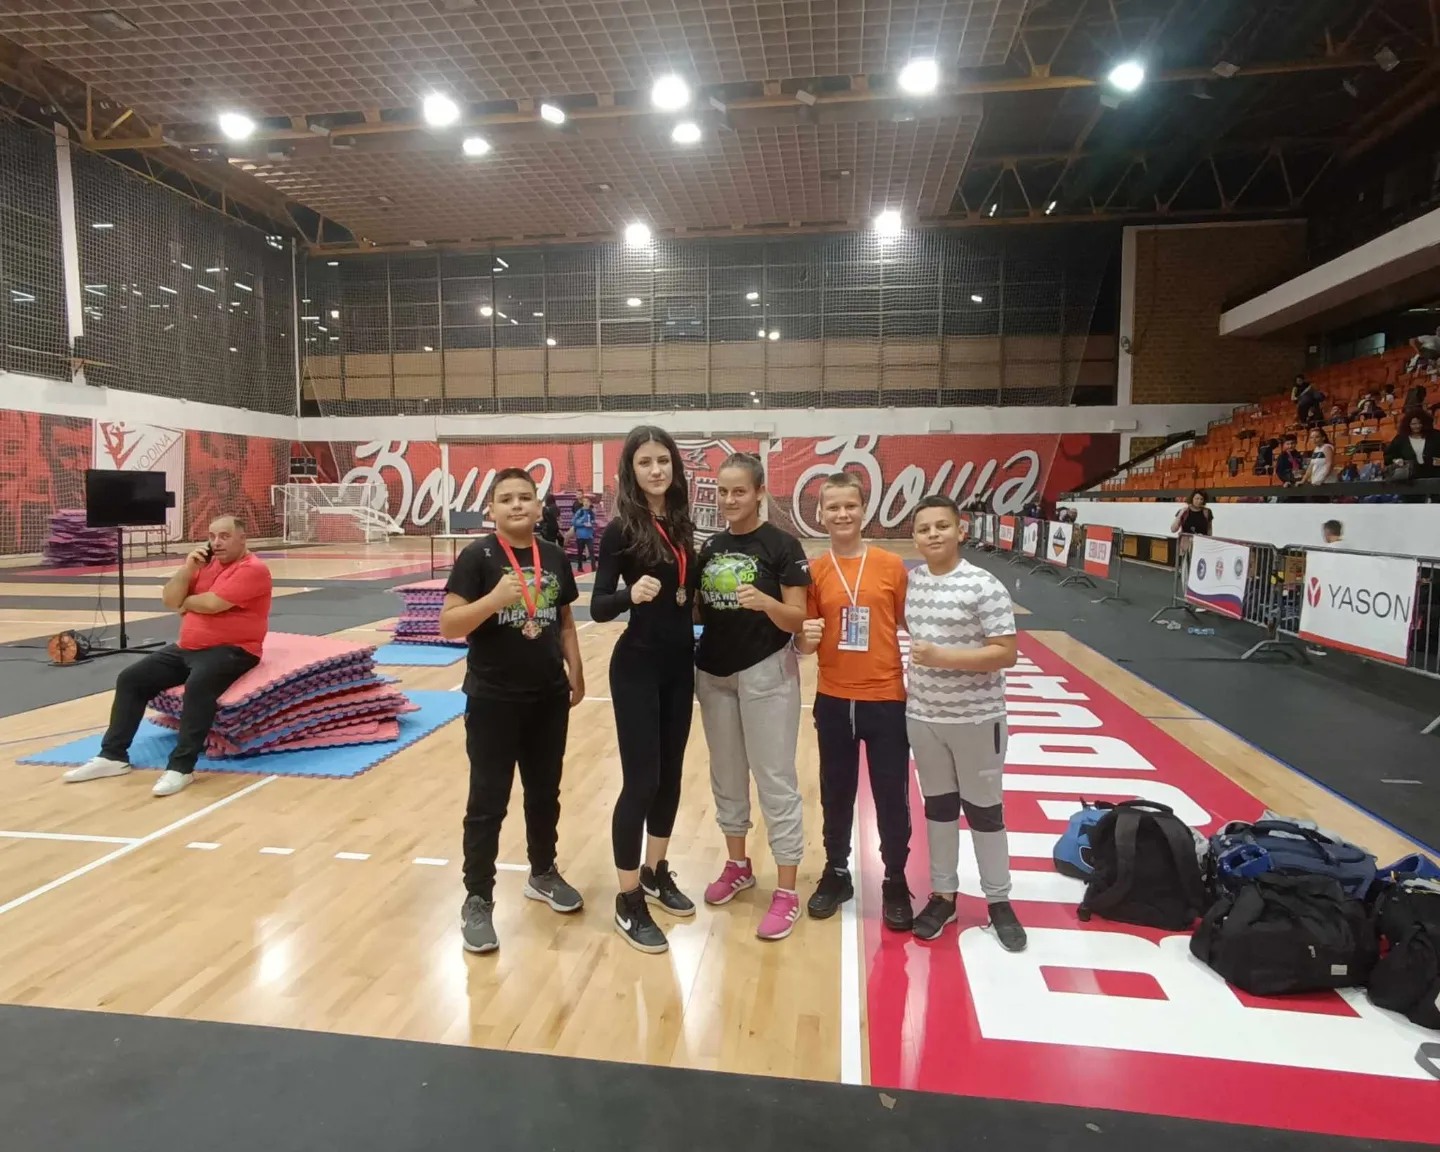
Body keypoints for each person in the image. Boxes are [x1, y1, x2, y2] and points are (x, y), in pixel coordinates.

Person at [439, 468, 585, 955]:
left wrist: (576, 668)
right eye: (507, 499)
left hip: (548, 696)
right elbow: (449, 625)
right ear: (492, 510)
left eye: (526, 497)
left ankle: (542, 872)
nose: (517, 505)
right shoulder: (476, 557)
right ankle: (477, 898)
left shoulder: (555, 556)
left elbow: (564, 620)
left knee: (544, 794)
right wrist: (494, 599)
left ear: (539, 507)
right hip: (493, 699)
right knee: (487, 803)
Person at [63, 516, 272, 797]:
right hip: (187, 648)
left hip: (234, 650)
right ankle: (112, 756)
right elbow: (169, 599)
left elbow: (212, 604)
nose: (216, 543)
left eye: (224, 536)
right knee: (131, 678)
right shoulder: (203, 565)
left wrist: (186, 602)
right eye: (212, 536)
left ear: (242, 539)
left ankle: (181, 768)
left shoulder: (253, 569)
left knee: (198, 686)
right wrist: (188, 569)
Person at [590, 427, 699, 954]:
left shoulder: (681, 523)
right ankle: (628, 896)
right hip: (636, 667)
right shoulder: (621, 530)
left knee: (671, 777)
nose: (656, 470)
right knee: (641, 782)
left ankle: (656, 871)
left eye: (663, 461)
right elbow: (597, 606)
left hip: (680, 667)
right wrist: (629, 594)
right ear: (630, 471)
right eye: (645, 462)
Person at [694, 452, 810, 941]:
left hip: (766, 672)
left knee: (775, 779)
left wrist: (765, 602)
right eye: (722, 491)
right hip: (713, 674)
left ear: (760, 492)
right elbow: (697, 607)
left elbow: (798, 617)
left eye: (739, 491)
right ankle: (738, 865)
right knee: (726, 776)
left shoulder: (782, 545)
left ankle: (786, 890)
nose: (729, 499)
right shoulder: (710, 547)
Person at [904, 495, 1025, 951]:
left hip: (977, 718)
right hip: (924, 717)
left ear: (961, 530)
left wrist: (943, 657)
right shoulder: (913, 582)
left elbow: (1006, 653)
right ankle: (943, 896)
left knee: (985, 813)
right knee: (938, 810)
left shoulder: (984, 585)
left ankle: (999, 901)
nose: (933, 534)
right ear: (914, 538)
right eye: (924, 529)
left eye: (941, 526)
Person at [794, 472, 914, 930]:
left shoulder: (891, 566)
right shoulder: (814, 572)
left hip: (886, 699)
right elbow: (804, 643)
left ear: (864, 510)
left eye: (850, 506)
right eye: (833, 507)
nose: (842, 514)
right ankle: (836, 870)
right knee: (835, 791)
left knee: (891, 795)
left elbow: (910, 624)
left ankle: (895, 878)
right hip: (833, 699)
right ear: (820, 514)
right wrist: (803, 640)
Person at [1384, 410, 1440, 479]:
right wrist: (1396, 460)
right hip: (1410, 477)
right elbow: (1388, 456)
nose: (1417, 426)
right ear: (1408, 425)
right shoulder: (1401, 439)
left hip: (1435, 475)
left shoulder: (1436, 436)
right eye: (1413, 424)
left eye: (1420, 423)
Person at [571, 495, 597, 572]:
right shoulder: (580, 512)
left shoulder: (591, 512)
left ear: (590, 503)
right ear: (582, 503)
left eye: (587, 501)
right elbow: (573, 522)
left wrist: (591, 524)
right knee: (580, 552)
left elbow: (594, 521)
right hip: (580, 536)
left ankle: (594, 567)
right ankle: (579, 567)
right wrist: (583, 524)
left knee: (591, 551)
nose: (586, 503)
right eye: (584, 501)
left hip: (589, 536)